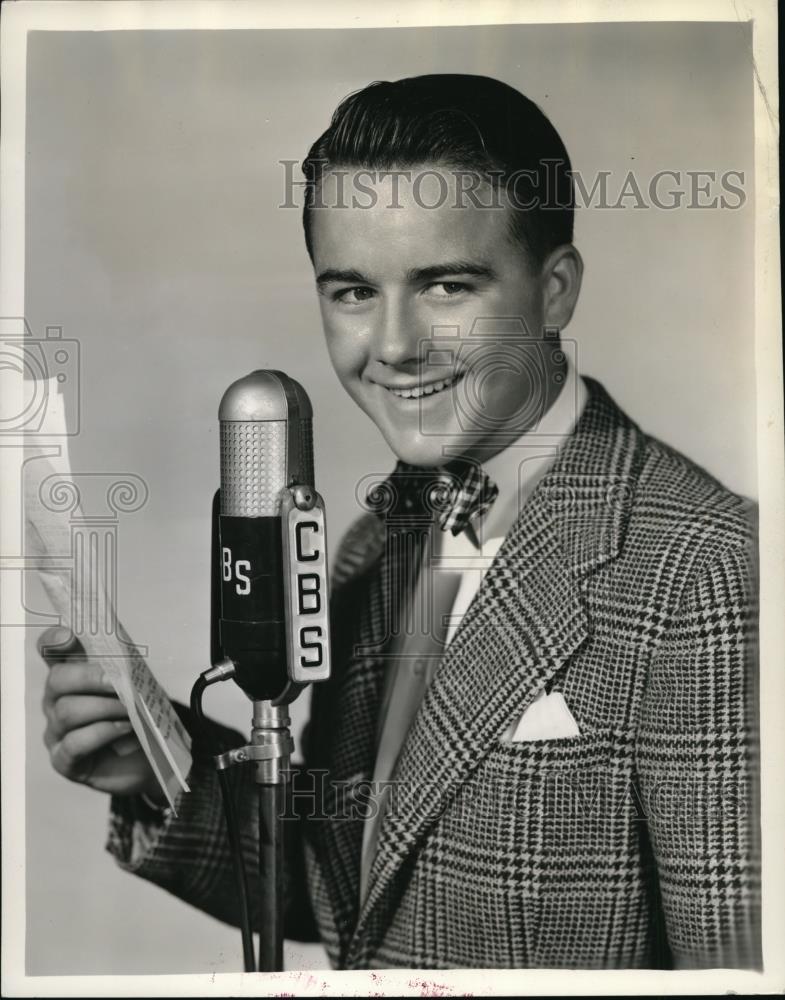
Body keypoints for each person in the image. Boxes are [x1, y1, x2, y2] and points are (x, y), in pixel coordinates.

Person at [38, 74, 760, 970]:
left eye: (446, 286)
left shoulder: (709, 574)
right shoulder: (371, 547)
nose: (391, 346)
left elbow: (736, 977)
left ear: (555, 291)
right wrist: (164, 767)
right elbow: (357, 895)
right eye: (351, 292)